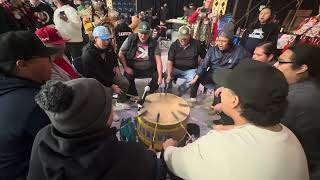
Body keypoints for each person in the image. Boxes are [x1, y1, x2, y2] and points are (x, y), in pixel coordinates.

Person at [163, 60, 309, 180]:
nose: (220, 90)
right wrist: (232, 129)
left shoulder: (218, 143)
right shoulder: (289, 135)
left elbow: (175, 161)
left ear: (234, 101)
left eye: (225, 87)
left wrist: (169, 149)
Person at [27, 78, 158, 180]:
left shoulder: (42, 138)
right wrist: (151, 155)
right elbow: (151, 169)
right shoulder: (133, 155)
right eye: (109, 106)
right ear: (106, 119)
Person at [0, 31, 58, 180]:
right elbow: (65, 151)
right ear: (23, 65)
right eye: (47, 58)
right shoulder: (34, 104)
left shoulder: (8, 91)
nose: (52, 62)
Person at [274, 44, 320, 180]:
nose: (276, 66)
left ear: (302, 68)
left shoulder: (294, 99)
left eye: (281, 62)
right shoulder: (310, 89)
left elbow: (269, 133)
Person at [82, 26, 129, 103]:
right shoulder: (88, 54)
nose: (107, 42)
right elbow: (94, 75)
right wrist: (111, 85)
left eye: (108, 39)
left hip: (109, 73)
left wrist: (116, 65)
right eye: (103, 39)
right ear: (95, 38)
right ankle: (106, 108)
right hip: (96, 80)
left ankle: (121, 102)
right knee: (107, 92)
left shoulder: (108, 46)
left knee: (124, 83)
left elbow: (113, 55)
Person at [119, 21, 163, 96]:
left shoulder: (154, 43)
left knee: (159, 74)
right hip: (133, 68)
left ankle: (150, 91)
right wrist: (125, 67)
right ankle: (133, 95)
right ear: (138, 32)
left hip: (149, 69)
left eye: (146, 34)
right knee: (127, 76)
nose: (143, 36)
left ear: (150, 33)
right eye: (141, 33)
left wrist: (160, 77)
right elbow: (121, 53)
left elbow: (159, 62)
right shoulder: (131, 39)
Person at [165, 26, 206, 104]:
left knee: (195, 78)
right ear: (178, 36)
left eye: (185, 38)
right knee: (166, 73)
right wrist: (169, 75)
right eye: (181, 37)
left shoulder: (197, 44)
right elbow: (169, 61)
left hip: (190, 70)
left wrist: (199, 68)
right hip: (175, 68)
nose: (183, 40)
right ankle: (168, 92)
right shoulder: (174, 45)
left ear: (189, 36)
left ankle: (181, 90)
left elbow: (204, 57)